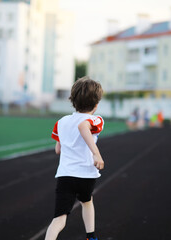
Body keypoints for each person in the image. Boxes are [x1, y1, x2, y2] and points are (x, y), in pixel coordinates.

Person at [45, 76, 104, 240]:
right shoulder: (95, 119)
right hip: (86, 175)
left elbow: (58, 149)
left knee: (59, 219)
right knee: (87, 201)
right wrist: (96, 153)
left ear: (73, 101)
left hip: (65, 175)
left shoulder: (61, 122)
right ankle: (91, 236)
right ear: (96, 105)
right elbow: (83, 126)